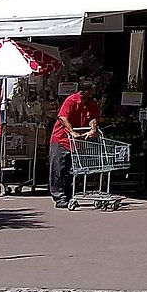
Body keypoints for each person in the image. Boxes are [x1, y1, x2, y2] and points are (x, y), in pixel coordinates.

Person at [48, 74, 103, 210]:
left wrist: (93, 129)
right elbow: (63, 117)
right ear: (85, 91)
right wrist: (71, 131)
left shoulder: (91, 103)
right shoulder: (72, 100)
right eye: (91, 91)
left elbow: (93, 118)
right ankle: (59, 197)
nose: (93, 93)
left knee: (73, 170)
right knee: (58, 168)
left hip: (78, 141)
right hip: (62, 139)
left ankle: (69, 195)